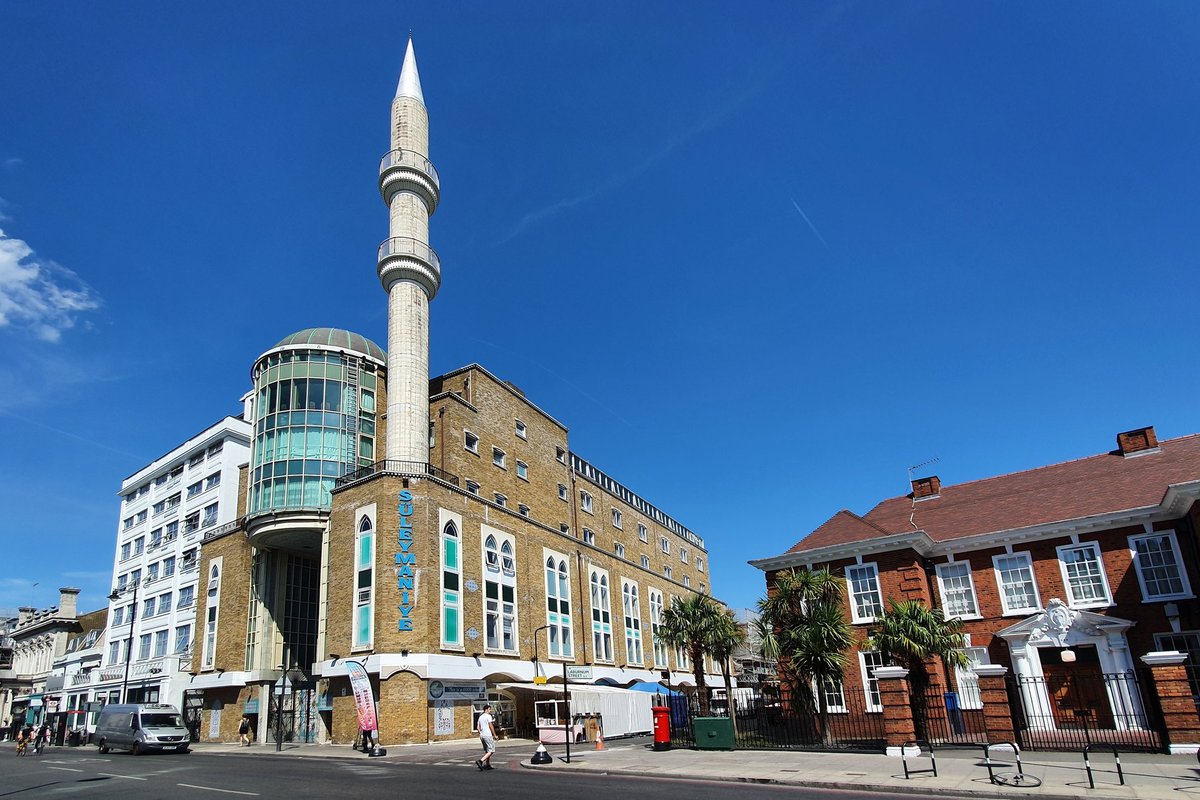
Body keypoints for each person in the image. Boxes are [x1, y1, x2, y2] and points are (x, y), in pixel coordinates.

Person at [475, 704, 496, 771]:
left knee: (487, 750)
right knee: (491, 750)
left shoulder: (480, 717)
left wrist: (481, 734)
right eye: (489, 709)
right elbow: (491, 726)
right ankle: (480, 761)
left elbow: (478, 728)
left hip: (482, 735)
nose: (490, 710)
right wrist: (494, 735)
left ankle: (487, 764)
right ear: (486, 710)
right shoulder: (488, 716)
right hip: (487, 735)